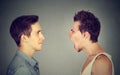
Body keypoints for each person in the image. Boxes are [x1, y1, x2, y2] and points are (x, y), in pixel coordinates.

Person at [69, 10, 114, 75]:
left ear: (85, 35)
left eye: (73, 31)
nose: (70, 35)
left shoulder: (101, 62)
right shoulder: (91, 59)